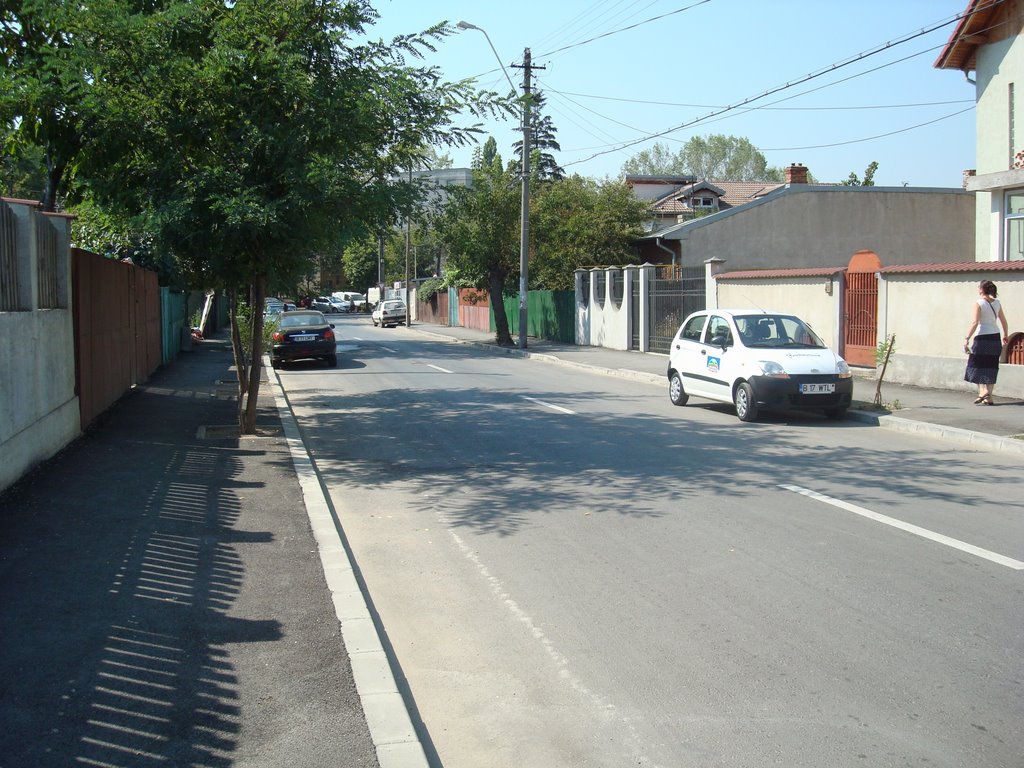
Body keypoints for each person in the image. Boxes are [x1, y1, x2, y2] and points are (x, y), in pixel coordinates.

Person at [963, 280, 1009, 404]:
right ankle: (989, 397)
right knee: (991, 366)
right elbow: (1004, 321)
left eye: (979, 287)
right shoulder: (997, 303)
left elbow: (975, 322)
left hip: (982, 337)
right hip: (995, 337)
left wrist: (966, 338)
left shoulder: (978, 303)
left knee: (975, 364)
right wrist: (1005, 335)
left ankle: (982, 391)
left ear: (982, 289)